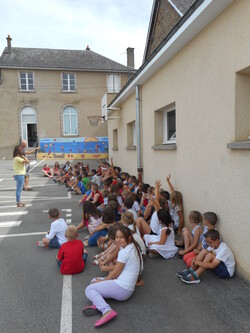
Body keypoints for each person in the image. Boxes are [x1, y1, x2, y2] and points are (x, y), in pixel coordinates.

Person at [83, 224, 142, 327]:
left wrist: (103, 281)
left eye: (121, 237)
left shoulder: (125, 252)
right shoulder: (132, 245)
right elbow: (119, 269)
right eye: (117, 237)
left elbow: (115, 273)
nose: (118, 240)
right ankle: (98, 303)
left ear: (128, 238)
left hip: (123, 289)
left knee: (89, 289)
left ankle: (106, 310)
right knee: (93, 280)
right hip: (125, 287)